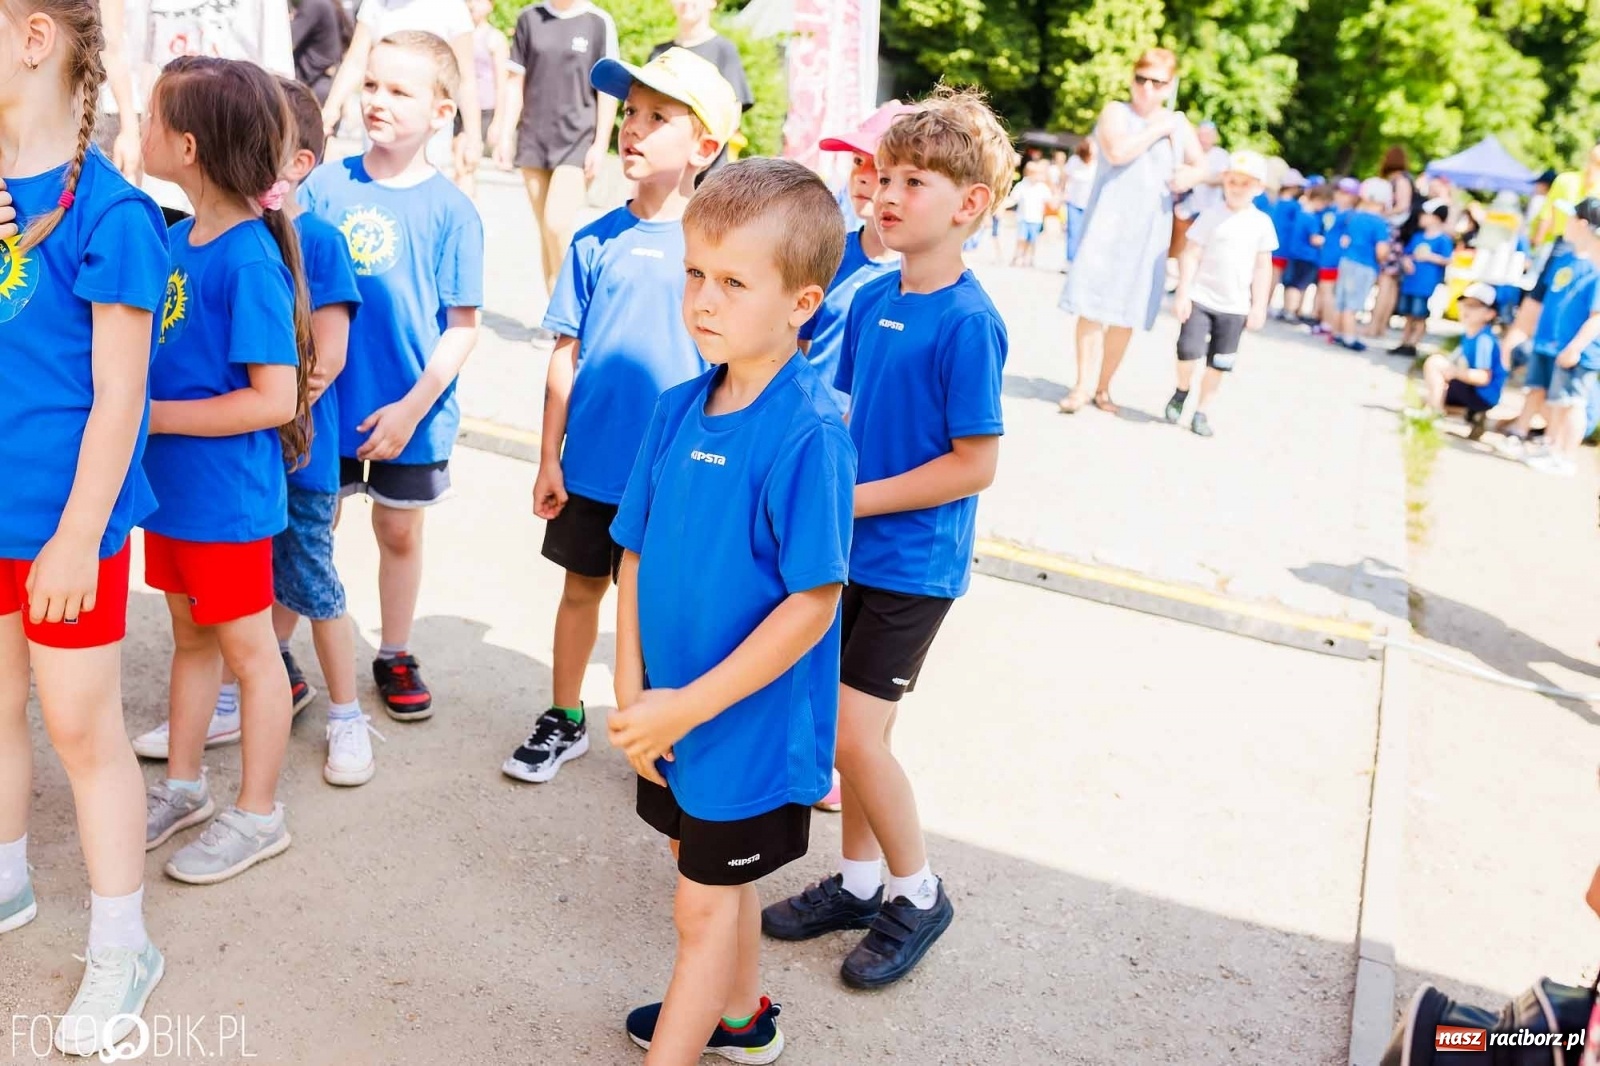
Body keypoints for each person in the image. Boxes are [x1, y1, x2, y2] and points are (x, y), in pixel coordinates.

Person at [761, 87, 1014, 989]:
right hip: (851, 547)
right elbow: (849, 413)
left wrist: (853, 500)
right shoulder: (872, 301)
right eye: (882, 177)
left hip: (913, 565)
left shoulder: (971, 322)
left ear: (971, 205)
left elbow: (973, 464)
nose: (887, 193)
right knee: (843, 730)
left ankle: (918, 891)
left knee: (859, 737)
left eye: (915, 180)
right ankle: (862, 880)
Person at [609, 156, 851, 1066]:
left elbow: (812, 605)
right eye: (696, 275)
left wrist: (686, 706)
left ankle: (684, 1042)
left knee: (699, 907)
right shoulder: (677, 407)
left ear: (801, 302)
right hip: (668, 710)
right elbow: (631, 550)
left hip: (741, 725)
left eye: (734, 282)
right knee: (702, 869)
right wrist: (635, 686)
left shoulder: (810, 431)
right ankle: (744, 1020)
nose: (704, 299)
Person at [0, 0, 171, 1053]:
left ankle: (123, 942)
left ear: (33, 38)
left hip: (67, 528)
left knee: (81, 730)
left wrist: (75, 537)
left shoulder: (113, 215)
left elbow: (119, 398)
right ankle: (8, 873)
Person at [501, 48, 738, 785]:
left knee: (659, 606)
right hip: (592, 464)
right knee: (580, 590)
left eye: (657, 117)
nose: (632, 129)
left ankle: (651, 726)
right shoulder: (593, 239)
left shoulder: (718, 247)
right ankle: (564, 715)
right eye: (629, 113)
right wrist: (549, 456)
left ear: (703, 145)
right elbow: (564, 354)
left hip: (673, 475)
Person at [137, 57, 312, 886]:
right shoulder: (176, 238)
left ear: (188, 145)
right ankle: (183, 787)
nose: (137, 131)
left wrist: (155, 418)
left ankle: (258, 812)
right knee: (188, 641)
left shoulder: (246, 258)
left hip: (227, 505)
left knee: (250, 655)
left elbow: (274, 398)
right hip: (174, 498)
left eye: (147, 119)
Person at [300, 30, 484, 718]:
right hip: (326, 404)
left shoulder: (453, 211)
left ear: (442, 112)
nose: (377, 100)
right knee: (312, 526)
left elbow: (461, 328)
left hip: (413, 407)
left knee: (399, 531)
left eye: (399, 90)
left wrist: (411, 408)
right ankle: (281, 652)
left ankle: (393, 649)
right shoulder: (323, 185)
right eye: (371, 84)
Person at [271, 77, 376, 785]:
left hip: (301, 459)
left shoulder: (319, 239)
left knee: (314, 585)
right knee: (254, 586)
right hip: (246, 459)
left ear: (297, 162)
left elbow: (327, 359)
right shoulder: (241, 233)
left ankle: (348, 717)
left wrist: (260, 403)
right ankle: (248, 690)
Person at [1058, 47, 1205, 415]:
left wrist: (1190, 173)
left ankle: (1104, 388)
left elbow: (1205, 167)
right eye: (1142, 79)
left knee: (1127, 314)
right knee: (1091, 308)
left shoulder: (1178, 124)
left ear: (1169, 86)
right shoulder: (1116, 112)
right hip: (1107, 224)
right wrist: (1162, 126)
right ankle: (1081, 385)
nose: (1148, 89)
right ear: (1132, 78)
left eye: (1158, 82)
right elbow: (1118, 151)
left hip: (1149, 232)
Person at [493, 0, 620, 300]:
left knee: (557, 223)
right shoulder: (529, 18)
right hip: (534, 138)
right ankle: (556, 316)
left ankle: (575, 306)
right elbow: (515, 83)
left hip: (577, 140)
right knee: (546, 232)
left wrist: (601, 143)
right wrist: (505, 134)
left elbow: (607, 91)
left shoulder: (597, 22)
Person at [804, 102, 912, 414]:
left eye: (878, 167)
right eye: (856, 161)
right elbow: (797, 345)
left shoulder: (921, 277)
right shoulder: (827, 252)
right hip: (813, 428)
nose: (862, 178)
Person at [1163, 152, 1277, 438]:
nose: (1237, 188)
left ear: (1258, 188)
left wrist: (1259, 305)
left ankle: (1202, 411)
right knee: (1188, 353)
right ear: (1224, 181)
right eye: (1232, 181)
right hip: (1201, 298)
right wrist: (1183, 292)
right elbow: (1191, 253)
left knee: (1219, 363)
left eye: (1245, 183)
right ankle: (1182, 390)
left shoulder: (1261, 223)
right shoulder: (1212, 215)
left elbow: (1263, 268)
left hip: (1235, 306)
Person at [318, 0, 482, 177]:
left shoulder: (453, 7)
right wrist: (331, 108)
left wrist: (473, 136)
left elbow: (465, 78)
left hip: (426, 126)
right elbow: (356, 61)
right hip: (382, 117)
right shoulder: (376, 4)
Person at [1509, 198, 1600, 476]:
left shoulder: (1596, 271)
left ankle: (1565, 457)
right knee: (1558, 402)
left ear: (1583, 224)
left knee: (1573, 403)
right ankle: (1552, 447)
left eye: (1571, 218)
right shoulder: (1566, 258)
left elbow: (1596, 317)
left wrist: (1575, 346)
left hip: (1581, 352)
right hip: (1558, 345)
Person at [650, 0, 752, 180]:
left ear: (712, 3)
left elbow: (732, 115)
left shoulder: (724, 51)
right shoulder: (660, 54)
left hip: (707, 175)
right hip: (661, 172)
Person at [1413, 282, 1504, 439]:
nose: (1466, 309)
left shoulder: (1484, 339)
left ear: (1490, 314)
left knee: (1434, 363)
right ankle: (1472, 415)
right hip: (1474, 391)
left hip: (1482, 393)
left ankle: (1435, 416)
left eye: (1474, 306)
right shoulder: (1470, 334)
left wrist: (1455, 372)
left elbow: (1484, 377)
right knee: (1427, 397)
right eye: (1464, 304)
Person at [1366, 145, 1420, 340]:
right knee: (1390, 283)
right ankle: (1379, 326)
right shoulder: (1405, 180)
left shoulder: (1400, 180)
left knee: (1386, 282)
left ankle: (1375, 326)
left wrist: (1381, 213)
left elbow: (1402, 207)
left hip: (1393, 233)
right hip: (1398, 235)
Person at [1333, 177, 1393, 351]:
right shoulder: (1379, 223)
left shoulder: (1354, 216)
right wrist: (1384, 258)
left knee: (1342, 300)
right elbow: (1381, 250)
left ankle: (1337, 333)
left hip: (1346, 261)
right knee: (1354, 303)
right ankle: (1349, 337)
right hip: (1364, 265)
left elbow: (1345, 240)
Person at [1389, 201, 1453, 357]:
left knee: (1420, 314)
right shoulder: (1418, 236)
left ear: (1436, 218)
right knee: (1408, 314)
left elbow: (1448, 259)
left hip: (1425, 283)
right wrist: (1406, 261)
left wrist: (1431, 257)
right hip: (1411, 281)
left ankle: (1413, 343)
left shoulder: (1443, 240)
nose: (1421, 218)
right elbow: (1407, 253)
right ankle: (1404, 342)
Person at [455, 0, 505, 197]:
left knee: (467, 158)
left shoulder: (494, 39)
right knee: (458, 159)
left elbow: (502, 83)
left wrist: (498, 121)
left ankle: (465, 203)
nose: (473, 5)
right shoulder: (459, 34)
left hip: (484, 106)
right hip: (458, 104)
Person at [1310, 178, 1355, 337]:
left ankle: (1328, 324)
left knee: (1328, 291)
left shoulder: (1350, 216)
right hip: (1325, 255)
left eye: (1347, 193)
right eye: (1339, 192)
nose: (1342, 196)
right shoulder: (1331, 211)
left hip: (1336, 258)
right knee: (1324, 290)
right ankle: (1323, 320)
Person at [290, 0, 349, 103]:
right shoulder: (326, 3)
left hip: (312, 87)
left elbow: (284, 42)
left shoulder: (315, 3)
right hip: (323, 84)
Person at [1006, 158, 1054, 268]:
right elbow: (1014, 199)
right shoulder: (1022, 185)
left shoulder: (1042, 187)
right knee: (1021, 238)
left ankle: (1028, 257)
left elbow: (1050, 201)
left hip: (1036, 219)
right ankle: (1018, 256)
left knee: (1032, 240)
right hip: (1023, 217)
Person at [1063, 138, 1095, 266]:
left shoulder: (1097, 163)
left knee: (1088, 233)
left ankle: (1083, 261)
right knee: (1073, 231)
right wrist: (1063, 192)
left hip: (1090, 204)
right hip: (1074, 202)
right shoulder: (1074, 161)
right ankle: (1070, 260)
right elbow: (1065, 177)